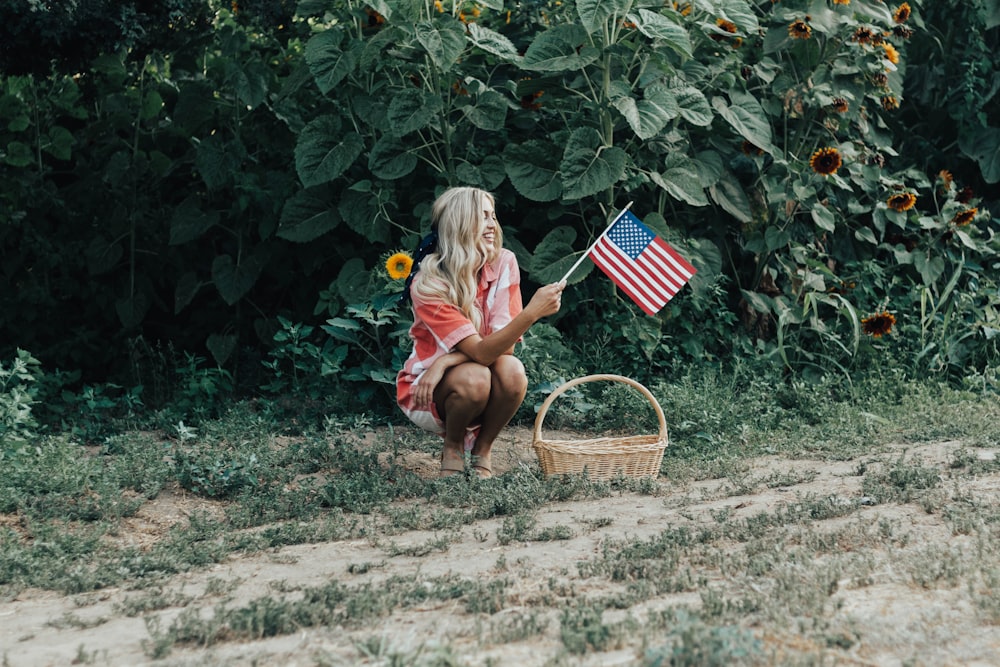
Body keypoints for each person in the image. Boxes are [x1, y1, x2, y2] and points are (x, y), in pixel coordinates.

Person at [396, 186, 565, 479]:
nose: (492, 225)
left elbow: (505, 349)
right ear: (460, 222)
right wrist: (532, 312)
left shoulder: (503, 262)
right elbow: (480, 352)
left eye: (493, 216)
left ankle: (482, 450)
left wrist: (445, 361)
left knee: (512, 370)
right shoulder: (428, 283)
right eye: (483, 217)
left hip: (457, 370)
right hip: (427, 391)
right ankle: (453, 446)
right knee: (475, 377)